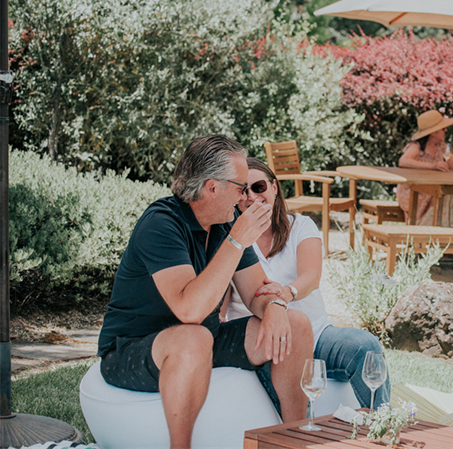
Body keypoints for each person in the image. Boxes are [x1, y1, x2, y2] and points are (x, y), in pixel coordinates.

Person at [97, 135, 314, 449]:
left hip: (205, 338)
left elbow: (257, 292)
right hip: (133, 348)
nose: (245, 198)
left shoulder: (226, 223)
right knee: (193, 337)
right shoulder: (162, 224)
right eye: (240, 188)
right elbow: (190, 311)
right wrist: (236, 241)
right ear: (212, 187)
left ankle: (293, 440)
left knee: (295, 324)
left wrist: (276, 306)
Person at [221, 157, 390, 412]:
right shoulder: (231, 237)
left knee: (365, 346)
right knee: (295, 399)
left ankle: (383, 423)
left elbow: (311, 275)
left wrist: (286, 293)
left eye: (259, 187)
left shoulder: (300, 225)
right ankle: (303, 432)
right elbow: (221, 294)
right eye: (243, 190)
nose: (252, 196)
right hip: (269, 343)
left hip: (317, 335)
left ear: (274, 187)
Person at [396, 110, 453, 227]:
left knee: (451, 195)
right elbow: (403, 161)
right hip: (415, 191)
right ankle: (429, 232)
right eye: (443, 128)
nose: (446, 130)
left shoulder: (442, 147)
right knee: (445, 196)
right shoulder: (416, 147)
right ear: (433, 132)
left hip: (433, 189)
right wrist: (433, 166)